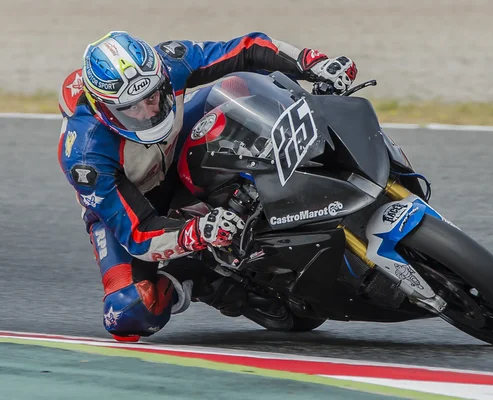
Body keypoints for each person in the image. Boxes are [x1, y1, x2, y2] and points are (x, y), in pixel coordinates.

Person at [57, 31, 358, 342]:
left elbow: (246, 50)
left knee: (235, 88)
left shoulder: (168, 63)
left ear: (160, 78)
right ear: (104, 108)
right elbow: (138, 234)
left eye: (152, 97)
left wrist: (312, 62)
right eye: (131, 109)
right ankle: (204, 281)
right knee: (130, 310)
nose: (148, 113)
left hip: (175, 146)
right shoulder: (85, 156)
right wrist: (196, 233)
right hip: (133, 202)